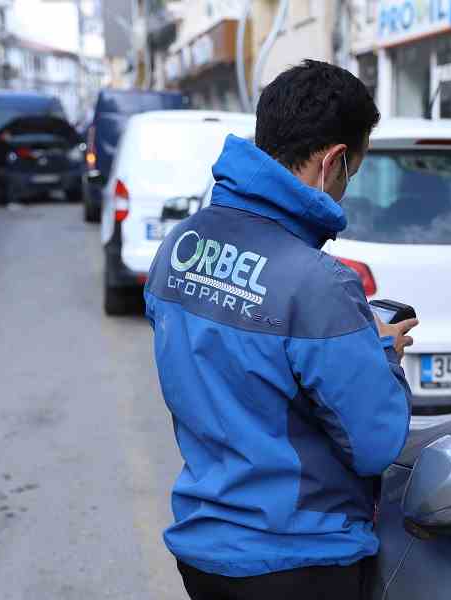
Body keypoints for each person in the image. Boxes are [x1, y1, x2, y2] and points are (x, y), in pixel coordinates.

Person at [144, 60, 417, 599]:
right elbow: (375, 443)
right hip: (299, 561)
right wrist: (379, 354)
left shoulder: (182, 245)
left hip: (204, 552)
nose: (345, 188)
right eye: (352, 173)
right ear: (335, 161)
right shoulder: (319, 283)